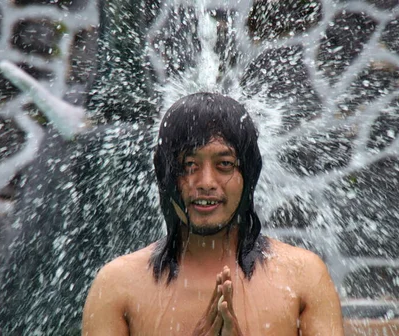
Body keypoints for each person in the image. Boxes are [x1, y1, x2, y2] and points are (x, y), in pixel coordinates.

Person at [82, 92, 344, 335]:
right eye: (189, 165)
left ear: (248, 175)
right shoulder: (118, 285)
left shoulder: (303, 276)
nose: (206, 181)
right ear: (166, 176)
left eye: (225, 164)